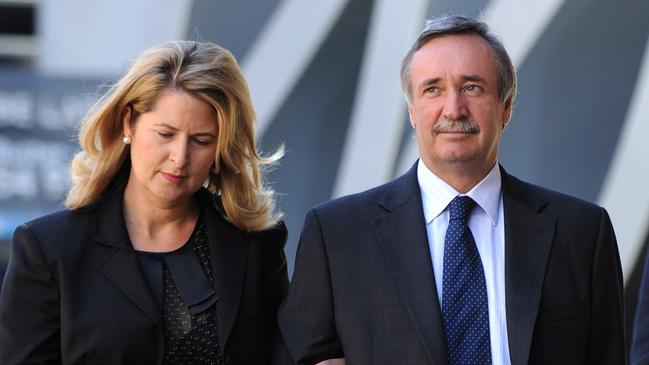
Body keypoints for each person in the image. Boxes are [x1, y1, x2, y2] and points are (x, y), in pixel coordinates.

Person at [277, 16, 626, 365]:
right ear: (412, 111)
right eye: (433, 89)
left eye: (472, 87)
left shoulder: (581, 234)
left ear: (505, 108)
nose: (454, 109)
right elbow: (305, 354)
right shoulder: (337, 236)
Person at [0, 41, 289, 364]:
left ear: (221, 147)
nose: (179, 158)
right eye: (165, 134)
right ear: (129, 123)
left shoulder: (256, 244)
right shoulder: (48, 250)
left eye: (201, 140)